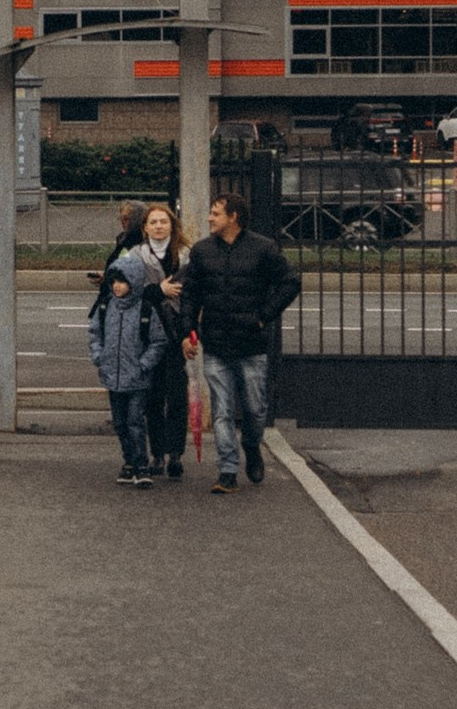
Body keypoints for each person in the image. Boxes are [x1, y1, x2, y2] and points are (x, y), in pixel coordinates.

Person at [177, 193, 302, 494]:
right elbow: (190, 294)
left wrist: (263, 316)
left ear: (233, 217)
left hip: (252, 344)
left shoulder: (263, 249)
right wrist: (187, 332)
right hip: (216, 343)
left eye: (216, 213)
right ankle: (228, 470)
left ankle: (252, 446)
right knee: (221, 410)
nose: (209, 218)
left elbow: (290, 281)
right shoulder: (203, 251)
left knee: (255, 409)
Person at [88, 246, 167, 487]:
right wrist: (99, 356)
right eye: (114, 282)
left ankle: (141, 463)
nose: (117, 287)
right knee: (120, 423)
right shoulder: (106, 306)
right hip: (113, 375)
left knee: (134, 421)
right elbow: (94, 333)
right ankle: (128, 461)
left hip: (137, 378)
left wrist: (144, 364)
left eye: (123, 282)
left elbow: (158, 341)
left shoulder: (145, 309)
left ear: (134, 282)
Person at [127, 202, 191, 481]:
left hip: (177, 331)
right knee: (152, 395)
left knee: (177, 394)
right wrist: (158, 290)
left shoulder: (186, 255)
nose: (158, 226)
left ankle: (176, 453)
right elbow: (127, 292)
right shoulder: (135, 255)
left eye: (163, 221)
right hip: (147, 332)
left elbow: (193, 294)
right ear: (144, 228)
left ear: (172, 225)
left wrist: (191, 329)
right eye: (152, 222)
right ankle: (157, 454)